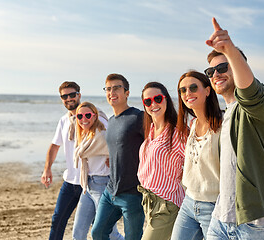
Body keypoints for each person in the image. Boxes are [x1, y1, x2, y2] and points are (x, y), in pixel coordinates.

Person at [204, 18, 264, 240]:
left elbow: (250, 91)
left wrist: (230, 50)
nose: (216, 74)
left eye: (223, 67)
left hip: (258, 222)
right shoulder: (228, 112)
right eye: (210, 71)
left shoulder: (259, 102)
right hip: (222, 217)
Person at [41, 81, 107, 240]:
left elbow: (109, 140)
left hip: (92, 181)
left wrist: (111, 158)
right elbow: (55, 145)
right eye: (64, 96)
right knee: (58, 220)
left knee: (97, 226)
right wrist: (47, 169)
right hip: (70, 181)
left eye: (72, 94)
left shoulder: (93, 116)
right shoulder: (64, 121)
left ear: (79, 95)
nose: (69, 98)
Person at [91, 73, 145, 240]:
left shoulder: (138, 117)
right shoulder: (112, 120)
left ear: (127, 93)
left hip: (132, 194)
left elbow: (154, 146)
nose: (111, 92)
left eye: (116, 88)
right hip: (110, 190)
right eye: (108, 89)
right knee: (98, 233)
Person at [171, 71, 223, 240]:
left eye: (193, 87)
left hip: (214, 206)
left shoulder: (223, 124)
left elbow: (241, 159)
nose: (188, 93)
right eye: (182, 90)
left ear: (208, 91)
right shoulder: (192, 124)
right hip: (189, 201)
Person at [137, 82, 186, 240]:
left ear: (166, 100)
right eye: (148, 101)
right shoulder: (150, 132)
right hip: (149, 202)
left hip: (167, 204)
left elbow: (196, 163)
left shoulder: (177, 133)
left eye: (158, 98)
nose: (153, 104)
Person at [72, 102, 123, 240]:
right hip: (87, 186)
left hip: (102, 186)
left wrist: (112, 160)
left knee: (110, 233)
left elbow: (120, 149)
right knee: (78, 232)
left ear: (95, 116)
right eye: (80, 116)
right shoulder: (84, 135)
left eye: (88, 115)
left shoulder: (102, 134)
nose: (84, 119)